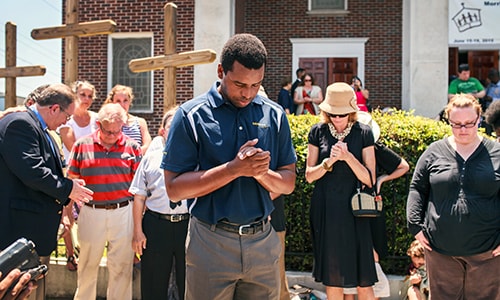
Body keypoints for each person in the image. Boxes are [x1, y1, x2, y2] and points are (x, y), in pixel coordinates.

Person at [161, 33, 297, 300]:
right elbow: (174, 189)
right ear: (221, 71)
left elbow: (288, 183)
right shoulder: (191, 115)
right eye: (239, 84)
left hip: (263, 242)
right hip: (210, 243)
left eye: (256, 85)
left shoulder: (275, 114)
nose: (247, 93)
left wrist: (261, 173)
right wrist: (234, 169)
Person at [0, 83, 94, 300]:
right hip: (17, 232)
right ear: (53, 108)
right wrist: (69, 188)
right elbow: (32, 171)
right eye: (67, 115)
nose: (67, 121)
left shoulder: (41, 129)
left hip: (33, 231)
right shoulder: (19, 123)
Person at [407, 93, 500, 299]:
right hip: (441, 251)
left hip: (488, 252)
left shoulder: (496, 152)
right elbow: (417, 188)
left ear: (479, 120)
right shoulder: (434, 152)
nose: (463, 129)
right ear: (448, 121)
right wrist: (415, 225)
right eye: (456, 124)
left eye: (469, 123)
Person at [305, 82, 377, 300]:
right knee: (332, 275)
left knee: (363, 275)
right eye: (333, 114)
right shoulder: (317, 132)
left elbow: (370, 179)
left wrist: (348, 158)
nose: (337, 119)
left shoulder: (363, 133)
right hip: (326, 208)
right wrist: (329, 162)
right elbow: (309, 176)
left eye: (342, 114)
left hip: (355, 210)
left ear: (351, 112)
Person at [68, 103, 142, 300]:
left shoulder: (133, 148)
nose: (112, 136)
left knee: (122, 268)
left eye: (117, 131)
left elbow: (141, 189)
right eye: (108, 131)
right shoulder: (81, 145)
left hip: (123, 211)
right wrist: (69, 213)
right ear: (98, 124)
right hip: (91, 211)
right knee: (87, 267)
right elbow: (71, 181)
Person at [344, 111, 410, 300]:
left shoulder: (375, 147)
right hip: (347, 206)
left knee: (372, 255)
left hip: (368, 208)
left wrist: (380, 180)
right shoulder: (343, 147)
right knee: (350, 255)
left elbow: (403, 166)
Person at [129, 106, 189, 300]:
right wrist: (137, 232)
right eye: (172, 125)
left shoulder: (195, 156)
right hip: (156, 225)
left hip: (187, 226)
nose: (177, 129)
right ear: (162, 130)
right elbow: (139, 196)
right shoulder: (150, 158)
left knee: (187, 279)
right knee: (154, 280)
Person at [58, 80, 98, 272]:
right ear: (75, 95)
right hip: (71, 173)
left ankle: (89, 253)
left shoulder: (97, 119)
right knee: (68, 217)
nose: (87, 99)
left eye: (90, 96)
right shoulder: (68, 120)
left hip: (93, 173)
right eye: (83, 95)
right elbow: (73, 148)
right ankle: (70, 254)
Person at [105, 84, 152, 154]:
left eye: (125, 100)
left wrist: (133, 155)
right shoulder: (108, 122)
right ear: (112, 102)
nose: (122, 104)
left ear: (130, 101)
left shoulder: (140, 122)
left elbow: (147, 145)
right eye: (118, 101)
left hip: (137, 161)